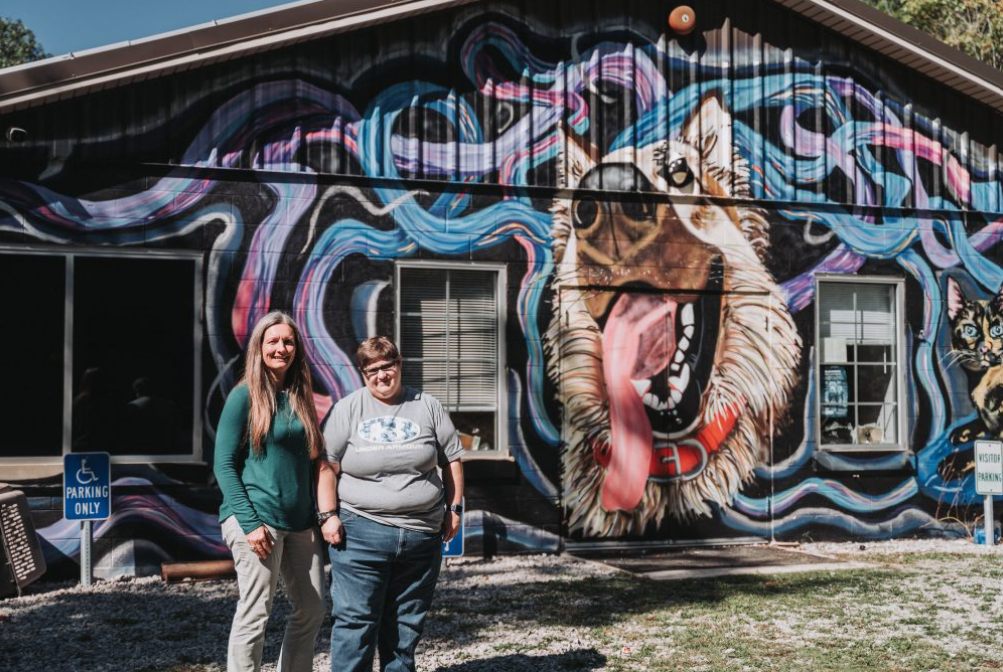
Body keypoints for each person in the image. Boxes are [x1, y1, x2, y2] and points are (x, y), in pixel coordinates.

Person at [317, 336, 464, 672]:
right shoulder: (348, 409)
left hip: (421, 536)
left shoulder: (426, 405)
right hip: (360, 534)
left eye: (387, 366)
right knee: (356, 623)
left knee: (405, 626)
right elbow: (327, 467)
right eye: (373, 370)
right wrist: (328, 516)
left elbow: (452, 460)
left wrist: (454, 509)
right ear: (362, 374)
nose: (381, 375)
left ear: (399, 364)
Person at [214, 311, 327, 672]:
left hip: (299, 522)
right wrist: (249, 523)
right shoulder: (243, 396)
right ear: (259, 347)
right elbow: (223, 465)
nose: (282, 348)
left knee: (312, 608)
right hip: (256, 518)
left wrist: (318, 516)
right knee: (255, 610)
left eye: (288, 341)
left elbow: (311, 461)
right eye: (273, 341)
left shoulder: (298, 395)